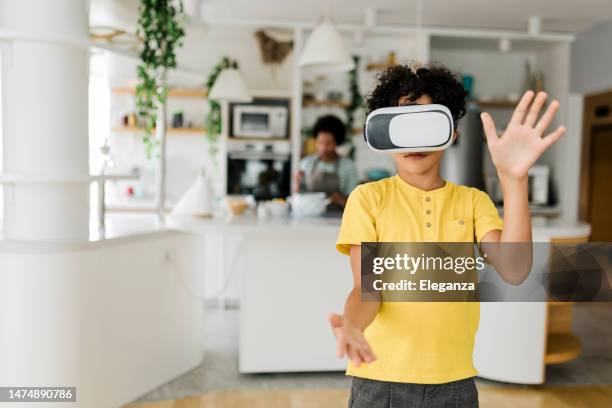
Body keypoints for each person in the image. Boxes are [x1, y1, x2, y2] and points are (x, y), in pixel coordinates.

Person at [330, 64, 565, 407]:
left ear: (451, 133)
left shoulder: (472, 202)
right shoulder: (368, 199)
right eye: (403, 125)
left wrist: (513, 179)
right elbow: (368, 289)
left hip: (454, 383)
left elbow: (514, 270)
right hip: (380, 380)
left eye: (426, 124)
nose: (415, 140)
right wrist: (351, 326)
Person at [295, 115, 359, 211]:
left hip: (337, 218)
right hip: (310, 217)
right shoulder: (306, 163)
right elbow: (298, 197)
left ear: (337, 143)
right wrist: (297, 183)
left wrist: (341, 199)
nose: (323, 148)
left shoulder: (348, 166)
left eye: (329, 143)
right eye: (320, 142)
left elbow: (355, 202)